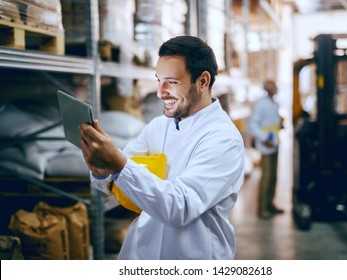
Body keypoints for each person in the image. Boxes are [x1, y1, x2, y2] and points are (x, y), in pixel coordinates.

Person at [79, 35, 245, 259]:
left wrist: (117, 164)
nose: (160, 92)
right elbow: (117, 181)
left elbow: (180, 207)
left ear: (203, 81)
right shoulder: (159, 127)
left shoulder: (223, 140)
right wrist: (102, 171)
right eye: (159, 80)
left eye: (172, 82)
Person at [248, 79, 284, 219]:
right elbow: (253, 125)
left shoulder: (274, 104)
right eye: (273, 86)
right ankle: (262, 209)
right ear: (267, 88)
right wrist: (264, 138)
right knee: (267, 177)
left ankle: (270, 204)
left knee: (274, 176)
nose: (276, 87)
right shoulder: (261, 105)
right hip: (266, 144)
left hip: (274, 142)